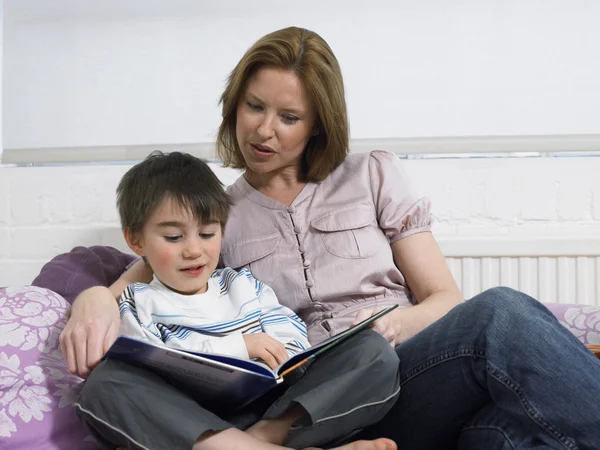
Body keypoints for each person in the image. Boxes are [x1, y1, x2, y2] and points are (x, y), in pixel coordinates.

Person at [53, 26, 600, 450]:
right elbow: (147, 272)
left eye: (288, 116)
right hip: (304, 402)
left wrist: (393, 325)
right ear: (234, 104)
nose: (264, 131)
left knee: (500, 313)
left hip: (405, 373)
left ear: (317, 123)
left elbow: (445, 298)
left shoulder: (372, 174)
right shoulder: (216, 214)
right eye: (254, 107)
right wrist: (92, 298)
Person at [75, 150, 400, 450]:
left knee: (374, 353)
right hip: (188, 420)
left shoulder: (242, 286)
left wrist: (279, 356)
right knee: (103, 386)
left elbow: (291, 338)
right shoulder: (137, 302)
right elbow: (147, 365)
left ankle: (259, 440)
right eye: (174, 237)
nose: (193, 250)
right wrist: (238, 347)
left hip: (270, 412)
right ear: (136, 240)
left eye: (207, 233)